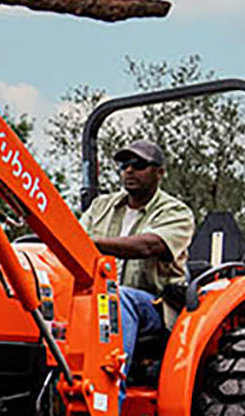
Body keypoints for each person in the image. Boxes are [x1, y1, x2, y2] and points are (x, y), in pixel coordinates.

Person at [78, 139, 195, 377]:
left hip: (153, 306)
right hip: (95, 300)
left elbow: (148, 246)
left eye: (139, 164)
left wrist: (89, 244)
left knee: (115, 298)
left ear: (159, 173)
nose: (129, 170)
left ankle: (109, 390)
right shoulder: (101, 206)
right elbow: (74, 243)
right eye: (123, 164)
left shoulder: (175, 212)